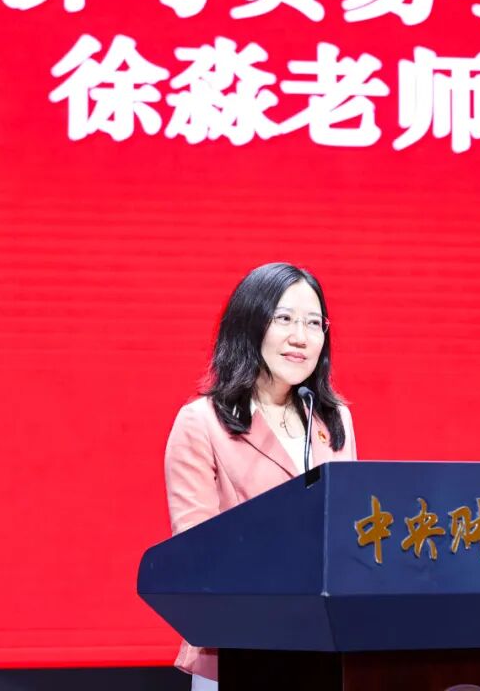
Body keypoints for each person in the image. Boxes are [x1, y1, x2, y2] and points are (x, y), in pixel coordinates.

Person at [163, 262, 357, 690]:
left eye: (313, 323)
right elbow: (195, 554)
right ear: (250, 324)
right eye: (284, 319)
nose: (300, 337)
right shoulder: (202, 422)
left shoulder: (332, 419)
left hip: (326, 649)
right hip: (238, 646)